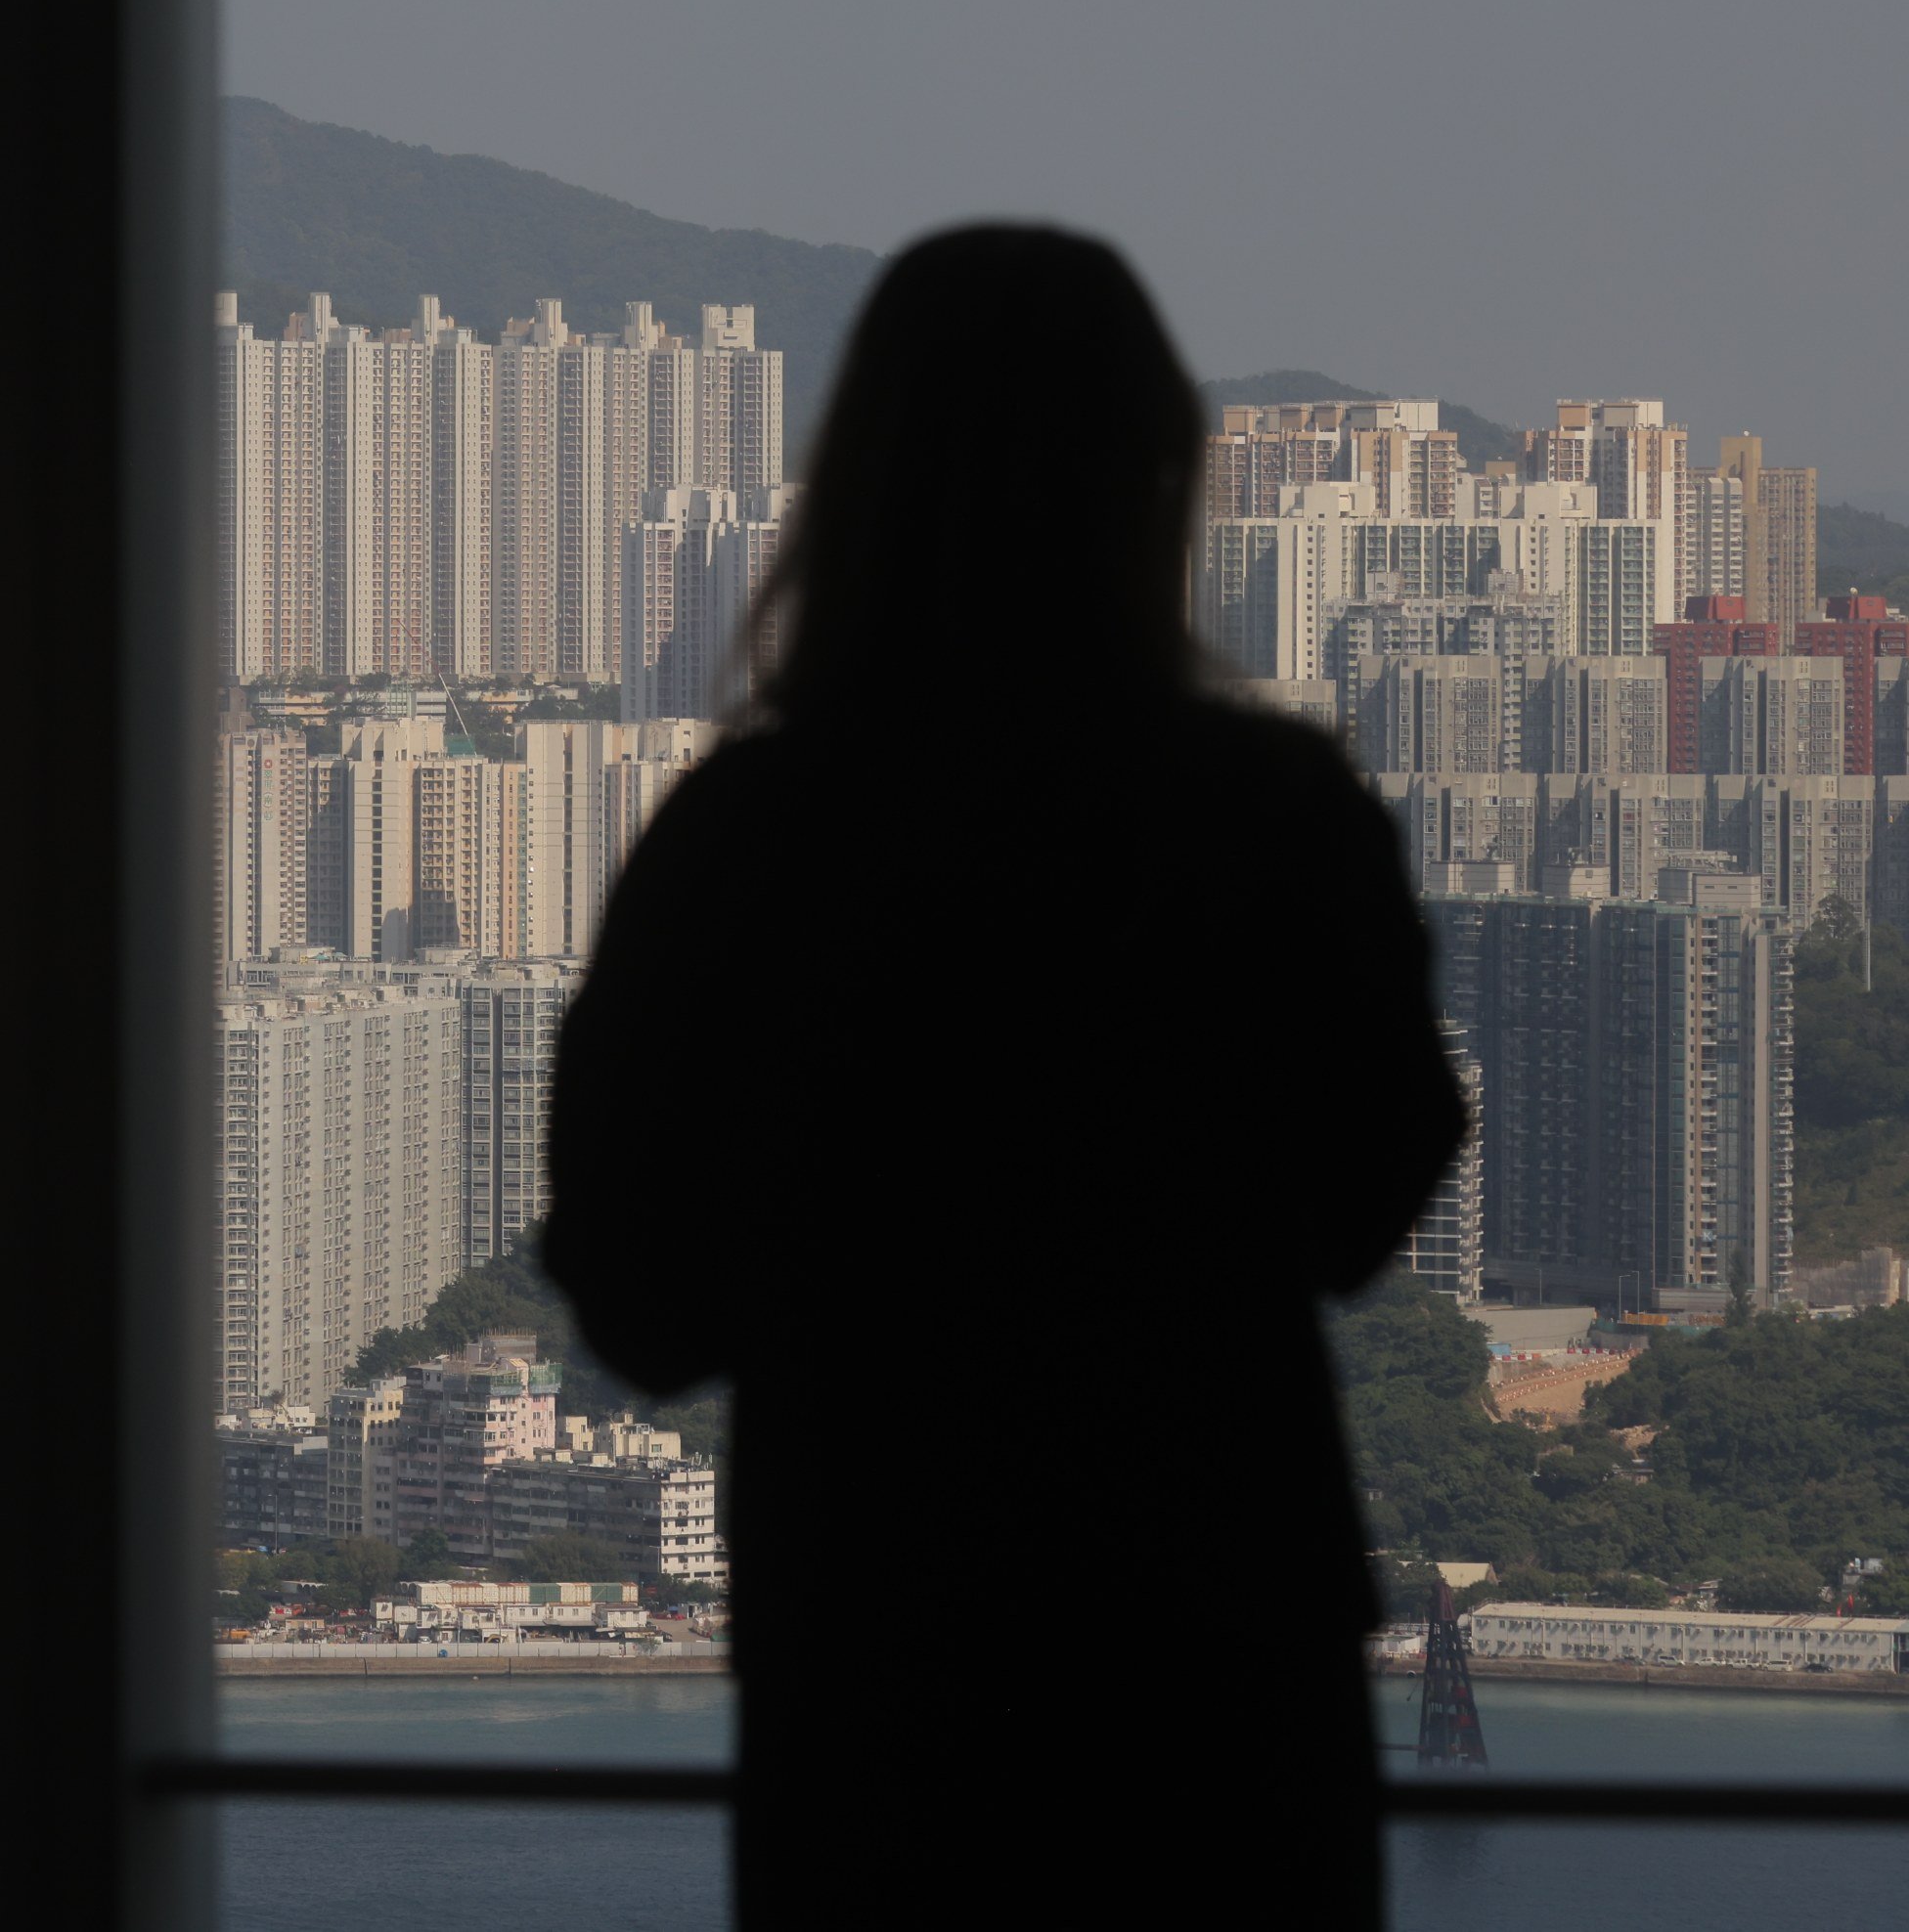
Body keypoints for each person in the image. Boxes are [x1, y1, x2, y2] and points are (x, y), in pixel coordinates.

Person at [543, 224, 1465, 1927]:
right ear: (1158, 484)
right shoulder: (1270, 812)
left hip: (875, 1639)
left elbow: (637, 1291)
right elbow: (1368, 1191)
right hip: (1220, 1635)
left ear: (857, 484)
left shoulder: (747, 838)